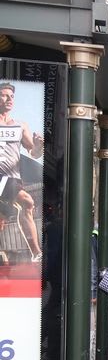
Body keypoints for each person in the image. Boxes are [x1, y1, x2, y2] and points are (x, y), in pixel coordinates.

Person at [0, 82, 44, 262]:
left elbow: (33, 152)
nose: (9, 99)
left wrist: (39, 145)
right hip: (3, 177)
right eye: (4, 95)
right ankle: (36, 252)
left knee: (3, 217)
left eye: (12, 96)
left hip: (13, 177)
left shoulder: (20, 125)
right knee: (27, 202)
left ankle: (34, 252)